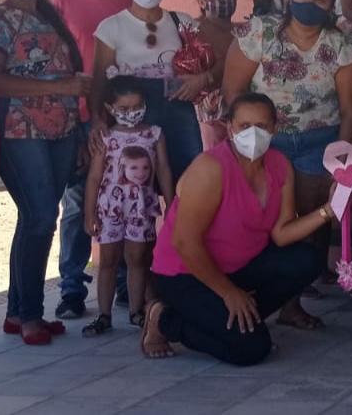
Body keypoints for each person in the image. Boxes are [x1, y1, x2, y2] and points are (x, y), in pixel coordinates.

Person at [141, 93, 329, 366]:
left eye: (262, 127)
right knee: (251, 350)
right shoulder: (210, 169)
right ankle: (164, 319)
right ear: (229, 127)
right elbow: (184, 243)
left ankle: (240, 318)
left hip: (239, 267)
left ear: (274, 128)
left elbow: (282, 233)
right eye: (244, 126)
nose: (253, 134)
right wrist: (228, 292)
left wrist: (329, 210)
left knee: (307, 260)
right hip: (186, 274)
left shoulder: (279, 165)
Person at [223, 0, 352, 329]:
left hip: (319, 144)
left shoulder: (341, 46)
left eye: (320, 0)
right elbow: (234, 93)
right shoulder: (260, 33)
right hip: (264, 142)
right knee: (261, 217)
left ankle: (292, 304)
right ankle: (243, 294)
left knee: (313, 221)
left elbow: (349, 107)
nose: (309, 4)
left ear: (331, 7)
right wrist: (244, 142)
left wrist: (342, 154)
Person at [0, 0, 87, 345]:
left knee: (36, 219)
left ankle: (18, 311)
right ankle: (29, 314)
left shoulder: (52, 18)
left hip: (62, 131)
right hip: (17, 129)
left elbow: (71, 79)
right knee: (41, 217)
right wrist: (61, 86)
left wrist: (79, 132)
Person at [52, 0, 132, 320]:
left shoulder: (136, 4)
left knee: (130, 201)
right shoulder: (62, 4)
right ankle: (71, 287)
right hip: (80, 121)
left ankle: (124, 283)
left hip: (130, 121)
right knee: (76, 203)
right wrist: (79, 120)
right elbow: (57, 65)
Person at [91, 0, 203, 182]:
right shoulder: (112, 26)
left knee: (189, 177)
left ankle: (180, 218)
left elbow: (213, 57)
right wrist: (97, 118)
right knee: (137, 178)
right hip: (132, 112)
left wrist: (204, 78)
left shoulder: (182, 21)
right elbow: (100, 80)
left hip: (178, 107)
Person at [83, 75, 174, 336]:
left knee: (138, 258)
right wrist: (90, 212)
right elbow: (94, 177)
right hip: (109, 208)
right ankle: (104, 315)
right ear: (110, 109)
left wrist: (171, 203)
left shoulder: (154, 134)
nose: (131, 113)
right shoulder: (106, 137)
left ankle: (137, 311)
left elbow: (165, 170)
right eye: (123, 109)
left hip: (142, 208)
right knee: (108, 260)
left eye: (137, 106)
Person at [192, 0, 238, 149]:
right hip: (211, 118)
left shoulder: (243, 30)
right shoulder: (193, 31)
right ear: (202, 2)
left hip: (241, 112)